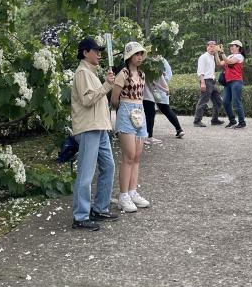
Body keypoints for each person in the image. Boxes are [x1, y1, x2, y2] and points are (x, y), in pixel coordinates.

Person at [70, 38, 119, 231]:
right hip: (89, 128)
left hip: (99, 127)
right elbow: (88, 100)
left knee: (109, 166)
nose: (99, 54)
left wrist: (105, 83)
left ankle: (99, 208)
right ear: (85, 53)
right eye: (96, 50)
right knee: (86, 173)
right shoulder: (82, 73)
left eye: (100, 51)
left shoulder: (91, 73)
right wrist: (107, 85)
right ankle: (80, 216)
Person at [111, 42, 151, 213]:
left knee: (136, 156)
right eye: (136, 54)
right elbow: (114, 99)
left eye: (141, 53)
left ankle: (133, 191)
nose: (140, 57)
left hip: (140, 113)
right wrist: (125, 110)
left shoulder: (142, 74)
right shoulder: (123, 74)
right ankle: (123, 195)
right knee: (128, 156)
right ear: (129, 56)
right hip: (126, 113)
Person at [144, 56, 185, 140]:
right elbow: (168, 75)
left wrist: (162, 86)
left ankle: (149, 135)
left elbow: (166, 75)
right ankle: (148, 135)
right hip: (154, 90)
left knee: (160, 110)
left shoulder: (159, 60)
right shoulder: (156, 60)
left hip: (155, 90)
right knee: (154, 111)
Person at [215, 40, 247, 129]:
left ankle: (242, 122)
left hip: (236, 81)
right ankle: (232, 121)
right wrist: (216, 53)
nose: (231, 47)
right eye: (230, 46)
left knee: (236, 102)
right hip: (228, 82)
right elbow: (219, 63)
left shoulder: (239, 56)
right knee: (225, 102)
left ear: (238, 47)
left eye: (233, 46)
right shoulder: (229, 56)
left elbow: (229, 62)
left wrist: (222, 52)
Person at [193, 40, 224, 127]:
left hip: (212, 82)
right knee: (203, 101)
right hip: (206, 81)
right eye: (210, 46)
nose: (212, 48)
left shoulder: (212, 57)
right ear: (207, 47)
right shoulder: (203, 57)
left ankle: (214, 120)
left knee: (218, 101)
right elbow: (200, 71)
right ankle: (197, 121)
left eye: (214, 46)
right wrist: (202, 83)